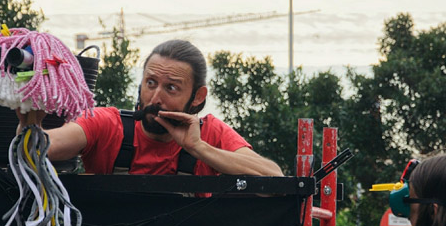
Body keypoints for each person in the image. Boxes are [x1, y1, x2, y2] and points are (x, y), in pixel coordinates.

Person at [20, 39, 283, 176]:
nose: (155, 98)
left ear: (197, 97)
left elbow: (274, 179)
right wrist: (30, 119)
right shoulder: (107, 124)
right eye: (151, 83)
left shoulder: (210, 134)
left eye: (171, 88)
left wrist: (198, 148)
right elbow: (38, 148)